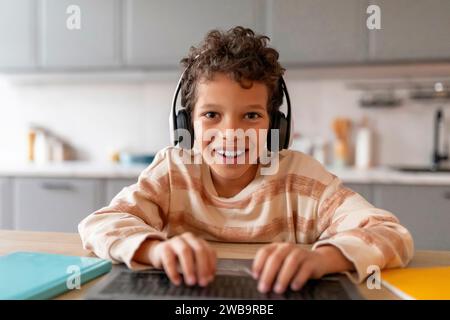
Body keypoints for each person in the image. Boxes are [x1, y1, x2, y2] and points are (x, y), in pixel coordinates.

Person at [78, 26, 413, 294]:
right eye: (211, 114)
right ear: (186, 125)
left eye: (251, 115)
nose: (231, 132)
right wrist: (155, 251)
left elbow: (390, 233)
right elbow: (99, 224)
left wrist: (322, 259)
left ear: (276, 127)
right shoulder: (173, 171)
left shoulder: (301, 179)